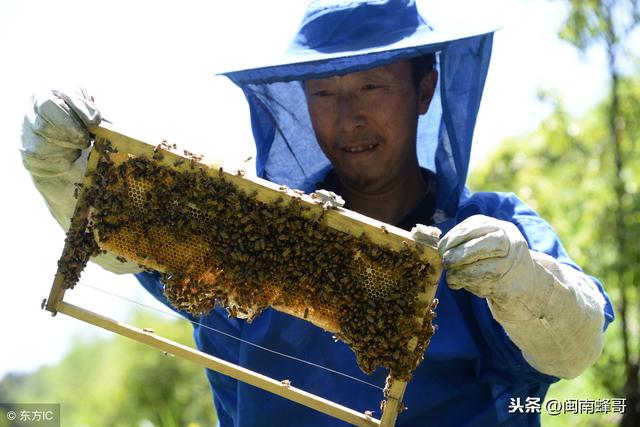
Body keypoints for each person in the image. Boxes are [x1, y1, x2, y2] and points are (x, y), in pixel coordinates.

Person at [21, 1, 614, 425]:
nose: (348, 118)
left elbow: (574, 346)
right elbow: (123, 242)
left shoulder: (489, 228)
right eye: (326, 94)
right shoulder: (248, 227)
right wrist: (61, 171)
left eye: (372, 87)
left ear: (425, 90)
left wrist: (523, 283)